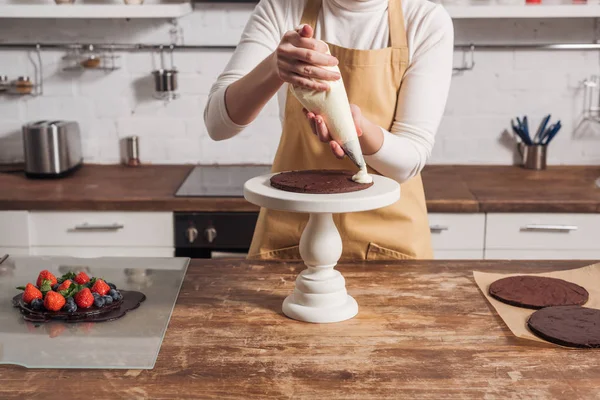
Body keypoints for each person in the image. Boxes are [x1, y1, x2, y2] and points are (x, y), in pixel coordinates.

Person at [204, 0, 454, 260]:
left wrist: (355, 128)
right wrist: (273, 67)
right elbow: (217, 124)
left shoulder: (424, 20)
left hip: (388, 241)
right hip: (294, 235)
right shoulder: (282, 8)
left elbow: (408, 162)